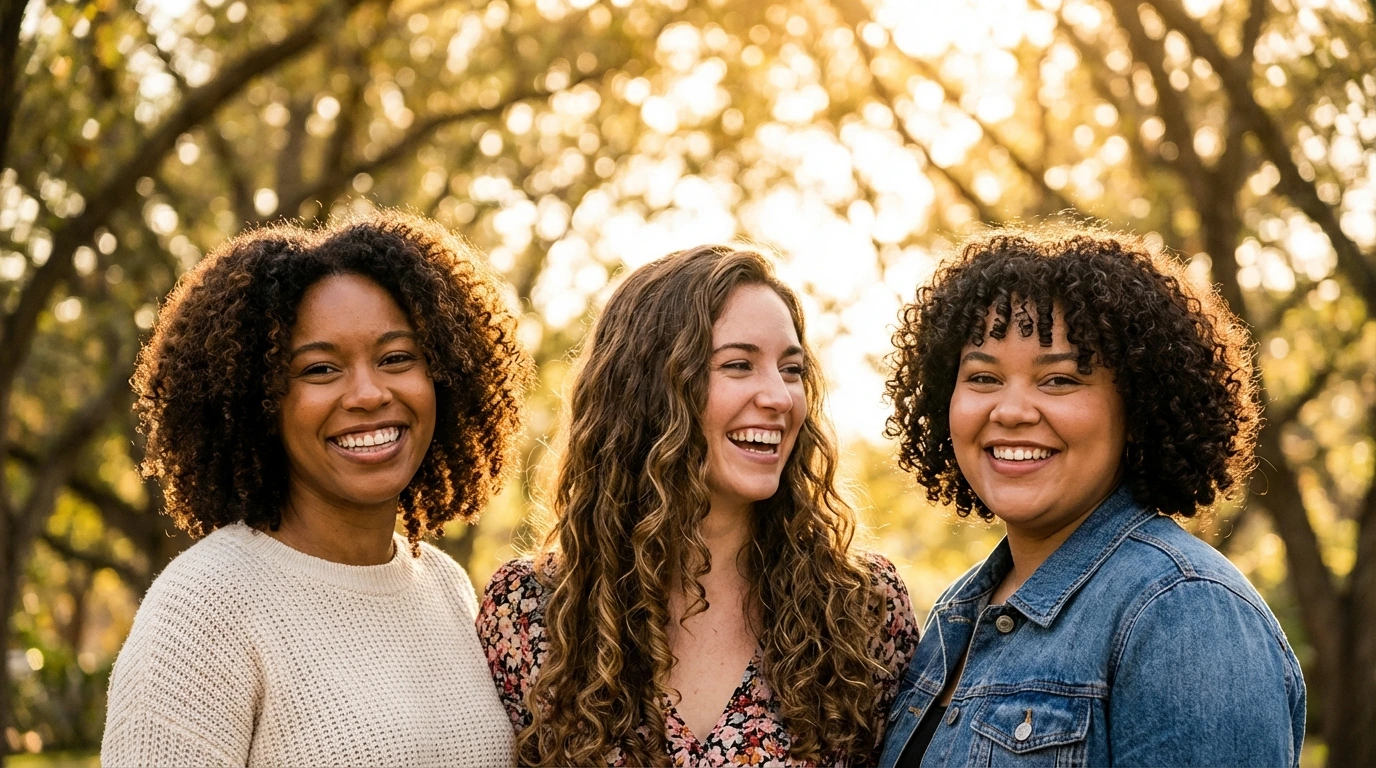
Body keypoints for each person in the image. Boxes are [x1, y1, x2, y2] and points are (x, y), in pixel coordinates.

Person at [102, 211, 533, 767]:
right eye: (321, 369)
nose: (368, 393)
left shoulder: (445, 587)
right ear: (257, 402)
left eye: (396, 358)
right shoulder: (205, 608)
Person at [877, 226, 1305, 766]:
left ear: (1137, 406)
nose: (1010, 411)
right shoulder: (959, 611)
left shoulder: (1184, 613)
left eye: (1058, 380)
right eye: (983, 377)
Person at [477, 245, 918, 767]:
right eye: (738, 365)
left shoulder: (863, 609)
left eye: (792, 369)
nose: (779, 396)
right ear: (647, 391)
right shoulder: (529, 613)